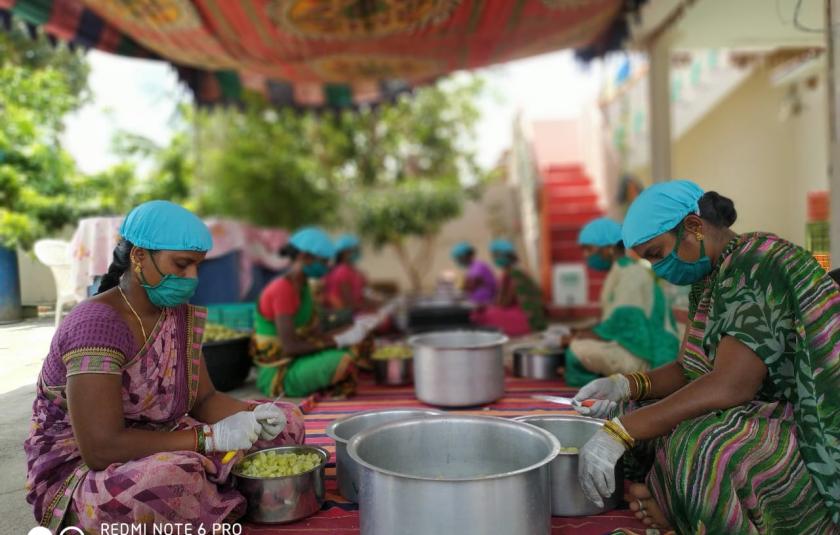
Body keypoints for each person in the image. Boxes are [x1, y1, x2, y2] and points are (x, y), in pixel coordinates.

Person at [574, 181, 840, 533]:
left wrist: (623, 432)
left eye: (656, 253)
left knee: (703, 443)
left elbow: (732, 385)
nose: (657, 267)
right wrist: (624, 386)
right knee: (639, 411)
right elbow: (689, 370)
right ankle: (674, 505)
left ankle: (674, 506)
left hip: (811, 424)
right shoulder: (710, 278)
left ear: (694, 227)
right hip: (757, 406)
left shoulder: (759, 261)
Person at [24, 201, 306, 532]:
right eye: (182, 265)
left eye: (197, 267)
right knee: (170, 481)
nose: (192, 278)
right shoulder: (96, 324)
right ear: (139, 255)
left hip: (168, 438)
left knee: (288, 424)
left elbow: (204, 400)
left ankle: (211, 492)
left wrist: (251, 415)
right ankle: (210, 491)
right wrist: (209, 439)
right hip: (86, 471)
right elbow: (101, 448)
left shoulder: (176, 315)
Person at [254, 227, 372, 399]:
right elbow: (290, 347)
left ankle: (328, 376)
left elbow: (315, 334)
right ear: (304, 257)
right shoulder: (282, 290)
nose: (326, 267)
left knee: (360, 342)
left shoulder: (304, 288)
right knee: (342, 360)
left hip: (301, 356)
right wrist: (338, 340)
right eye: (323, 262)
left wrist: (351, 331)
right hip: (281, 370)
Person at [564, 217, 680, 386]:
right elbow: (616, 319)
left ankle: (607, 387)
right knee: (578, 343)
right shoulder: (620, 271)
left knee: (576, 349)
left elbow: (628, 325)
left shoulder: (632, 273)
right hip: (636, 347)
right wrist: (586, 331)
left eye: (589, 249)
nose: (586, 255)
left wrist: (586, 335)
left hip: (651, 355)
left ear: (609, 248)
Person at [471, 239, 547, 336]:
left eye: (494, 255)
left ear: (501, 256)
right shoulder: (517, 270)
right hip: (531, 317)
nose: (494, 258)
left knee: (480, 316)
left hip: (525, 319)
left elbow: (504, 302)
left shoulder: (512, 273)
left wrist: (486, 306)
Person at [323, 233, 373, 313]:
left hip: (355, 311)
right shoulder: (342, 271)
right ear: (344, 253)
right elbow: (348, 302)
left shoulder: (354, 271)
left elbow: (365, 293)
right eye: (355, 250)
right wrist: (369, 308)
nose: (357, 252)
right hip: (345, 314)